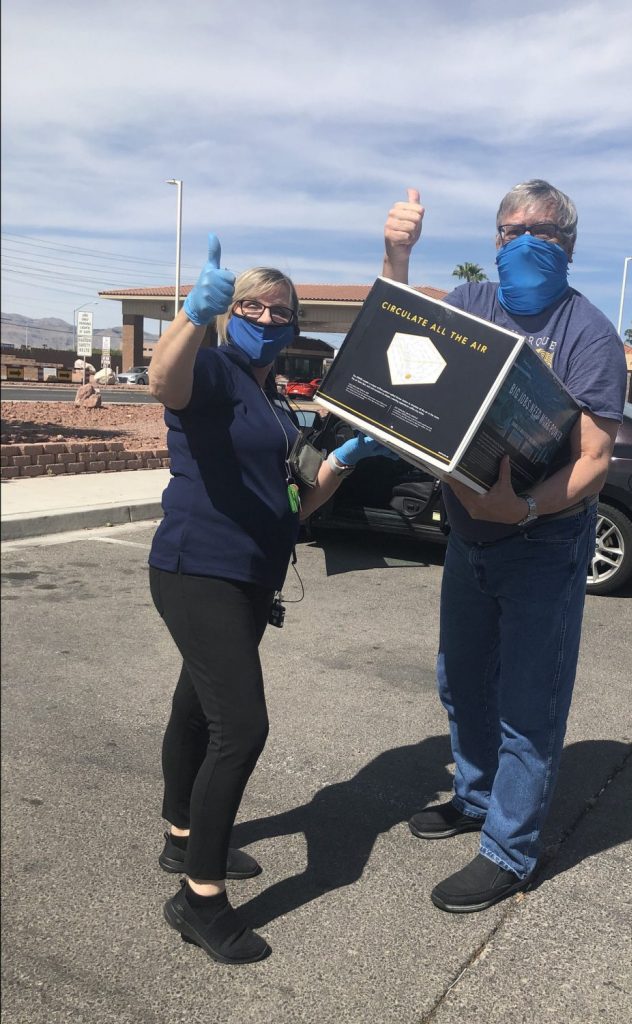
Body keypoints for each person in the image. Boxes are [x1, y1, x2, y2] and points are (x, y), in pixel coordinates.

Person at [148, 234, 395, 964]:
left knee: (196, 706)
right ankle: (198, 898)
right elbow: (163, 382)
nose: (265, 315)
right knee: (242, 728)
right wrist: (193, 315)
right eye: (251, 304)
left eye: (278, 310)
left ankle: (180, 835)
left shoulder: (269, 396)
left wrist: (343, 463)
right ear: (232, 311)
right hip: (200, 570)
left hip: (253, 572)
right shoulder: (215, 369)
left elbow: (297, 505)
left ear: (292, 325)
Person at [383, 180, 628, 913]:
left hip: (543, 543)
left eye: (541, 231)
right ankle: (475, 795)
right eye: (507, 228)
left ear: (569, 245)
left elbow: (592, 461)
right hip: (467, 535)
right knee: (460, 679)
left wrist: (519, 506)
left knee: (529, 703)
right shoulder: (470, 306)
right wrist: (395, 258)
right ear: (492, 240)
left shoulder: (589, 335)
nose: (522, 240)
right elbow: (400, 348)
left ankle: (510, 850)